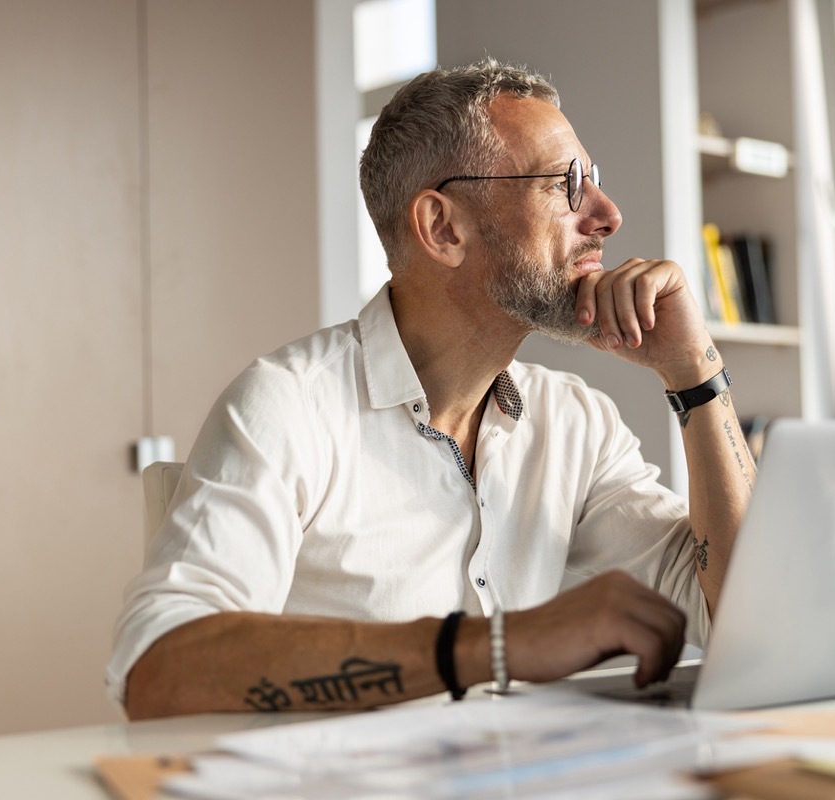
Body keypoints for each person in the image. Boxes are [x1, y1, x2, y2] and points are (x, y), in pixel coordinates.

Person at [108, 58, 756, 718]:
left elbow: (743, 618)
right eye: (566, 183)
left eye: (595, 181)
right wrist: (494, 647)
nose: (608, 215)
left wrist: (694, 374)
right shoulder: (288, 407)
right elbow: (157, 667)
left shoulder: (576, 423)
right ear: (443, 228)